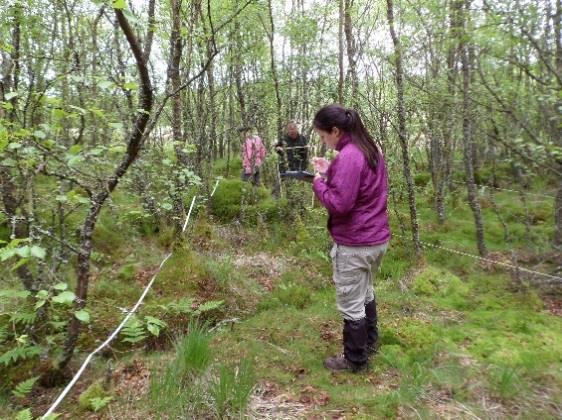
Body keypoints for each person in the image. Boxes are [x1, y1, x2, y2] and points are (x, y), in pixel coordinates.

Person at [311, 104, 391, 373]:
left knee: (350, 301)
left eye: (324, 137)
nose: (325, 142)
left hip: (356, 242)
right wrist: (330, 170)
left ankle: (355, 360)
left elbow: (340, 203)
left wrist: (318, 182)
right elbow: (360, 184)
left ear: (335, 130)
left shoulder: (350, 155)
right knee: (365, 291)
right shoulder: (370, 149)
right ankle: (369, 342)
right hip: (376, 239)